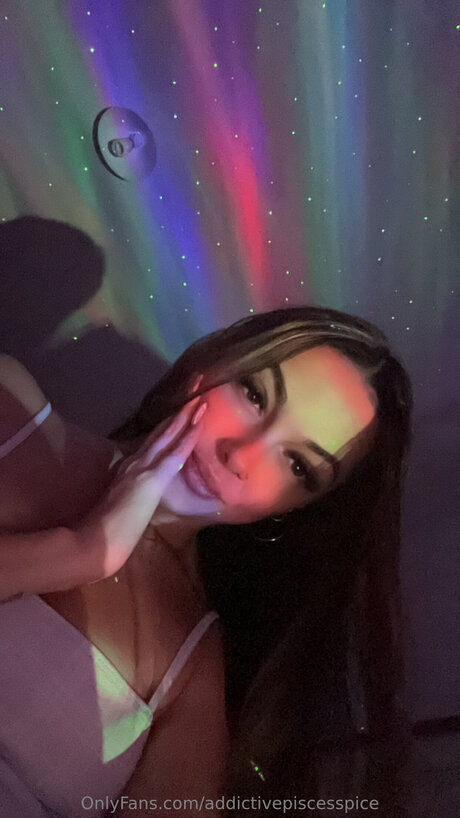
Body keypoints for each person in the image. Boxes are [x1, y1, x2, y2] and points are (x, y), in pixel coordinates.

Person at [0, 305, 413, 817]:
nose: (240, 455)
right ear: (209, 364)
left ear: (291, 510)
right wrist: (79, 553)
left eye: (297, 464)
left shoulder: (194, 667)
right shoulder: (11, 405)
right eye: (254, 395)